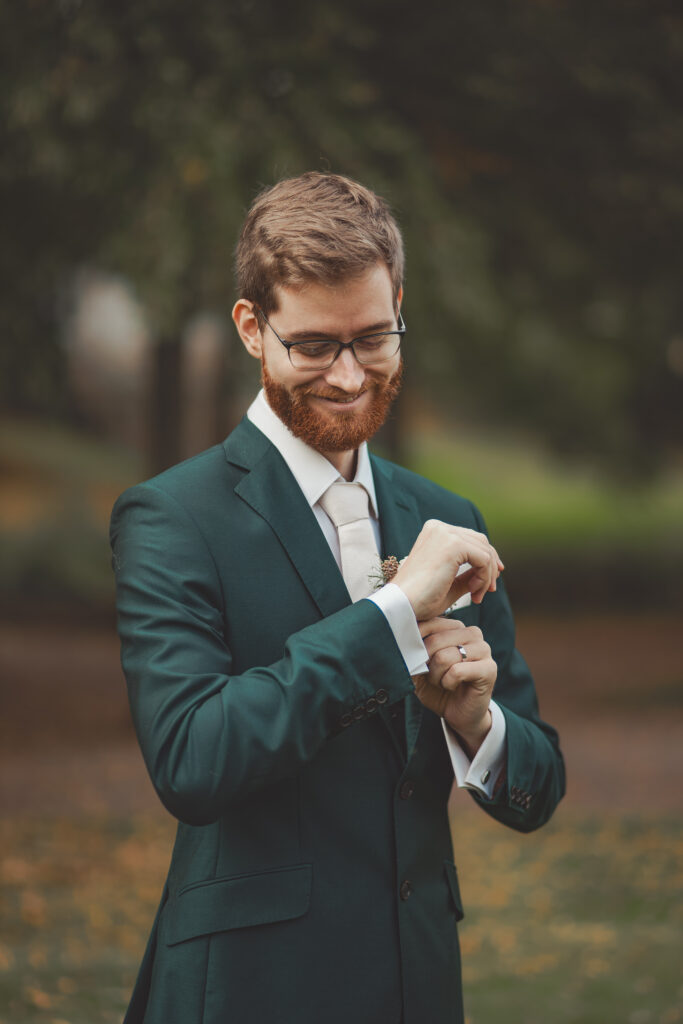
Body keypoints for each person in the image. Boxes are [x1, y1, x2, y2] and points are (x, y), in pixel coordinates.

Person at [110, 171, 565, 1024]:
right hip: (251, 989)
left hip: (416, 983)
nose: (350, 377)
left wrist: (477, 723)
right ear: (253, 327)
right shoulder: (172, 518)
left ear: (400, 309)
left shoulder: (446, 518)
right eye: (314, 345)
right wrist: (390, 620)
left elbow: (538, 786)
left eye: (374, 338)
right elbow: (193, 760)